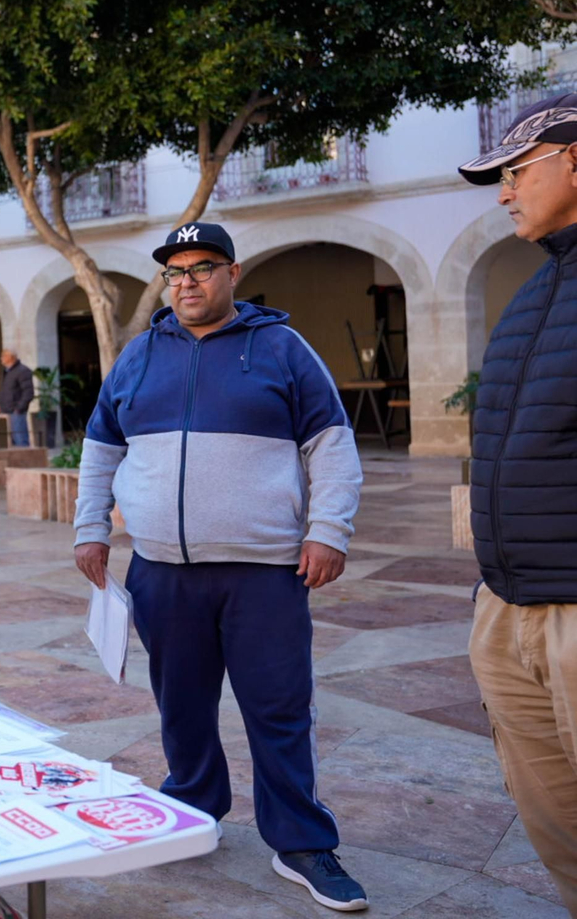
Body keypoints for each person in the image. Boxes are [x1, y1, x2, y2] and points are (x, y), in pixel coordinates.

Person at [72, 221, 367, 912]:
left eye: (203, 267)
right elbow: (99, 449)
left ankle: (301, 840)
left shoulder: (282, 349)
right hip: (162, 570)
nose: (188, 281)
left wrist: (328, 530)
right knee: (181, 705)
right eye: (176, 271)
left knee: (279, 707)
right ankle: (194, 808)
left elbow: (331, 446)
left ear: (233, 273)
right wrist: (91, 528)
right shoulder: (141, 354)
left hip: (264, 572)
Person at [456, 93, 577, 914]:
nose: (503, 191)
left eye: (516, 171)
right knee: (556, 824)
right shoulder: (533, 295)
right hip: (511, 607)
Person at [0, 349, 35, 447]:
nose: (1, 359)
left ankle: (25, 460)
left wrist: (19, 408)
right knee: (10, 441)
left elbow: (28, 392)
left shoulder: (23, 371)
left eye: (3, 356)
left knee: (20, 439)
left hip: (16, 412)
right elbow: (4, 390)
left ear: (10, 357)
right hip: (5, 410)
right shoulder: (7, 372)